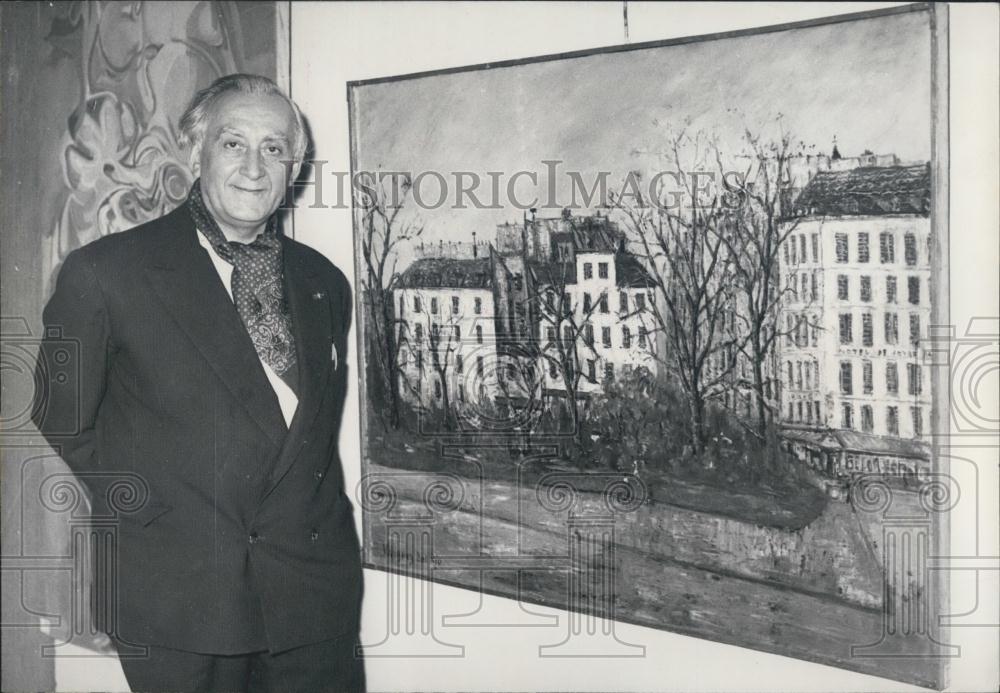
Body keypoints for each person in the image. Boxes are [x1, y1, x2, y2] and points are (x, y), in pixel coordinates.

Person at [32, 74, 364, 692]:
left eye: (274, 148)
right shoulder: (105, 273)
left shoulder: (326, 283)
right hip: (178, 597)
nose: (255, 167)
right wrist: (157, 511)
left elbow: (303, 438)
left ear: (293, 167)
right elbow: (60, 415)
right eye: (233, 143)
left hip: (314, 601)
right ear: (195, 152)